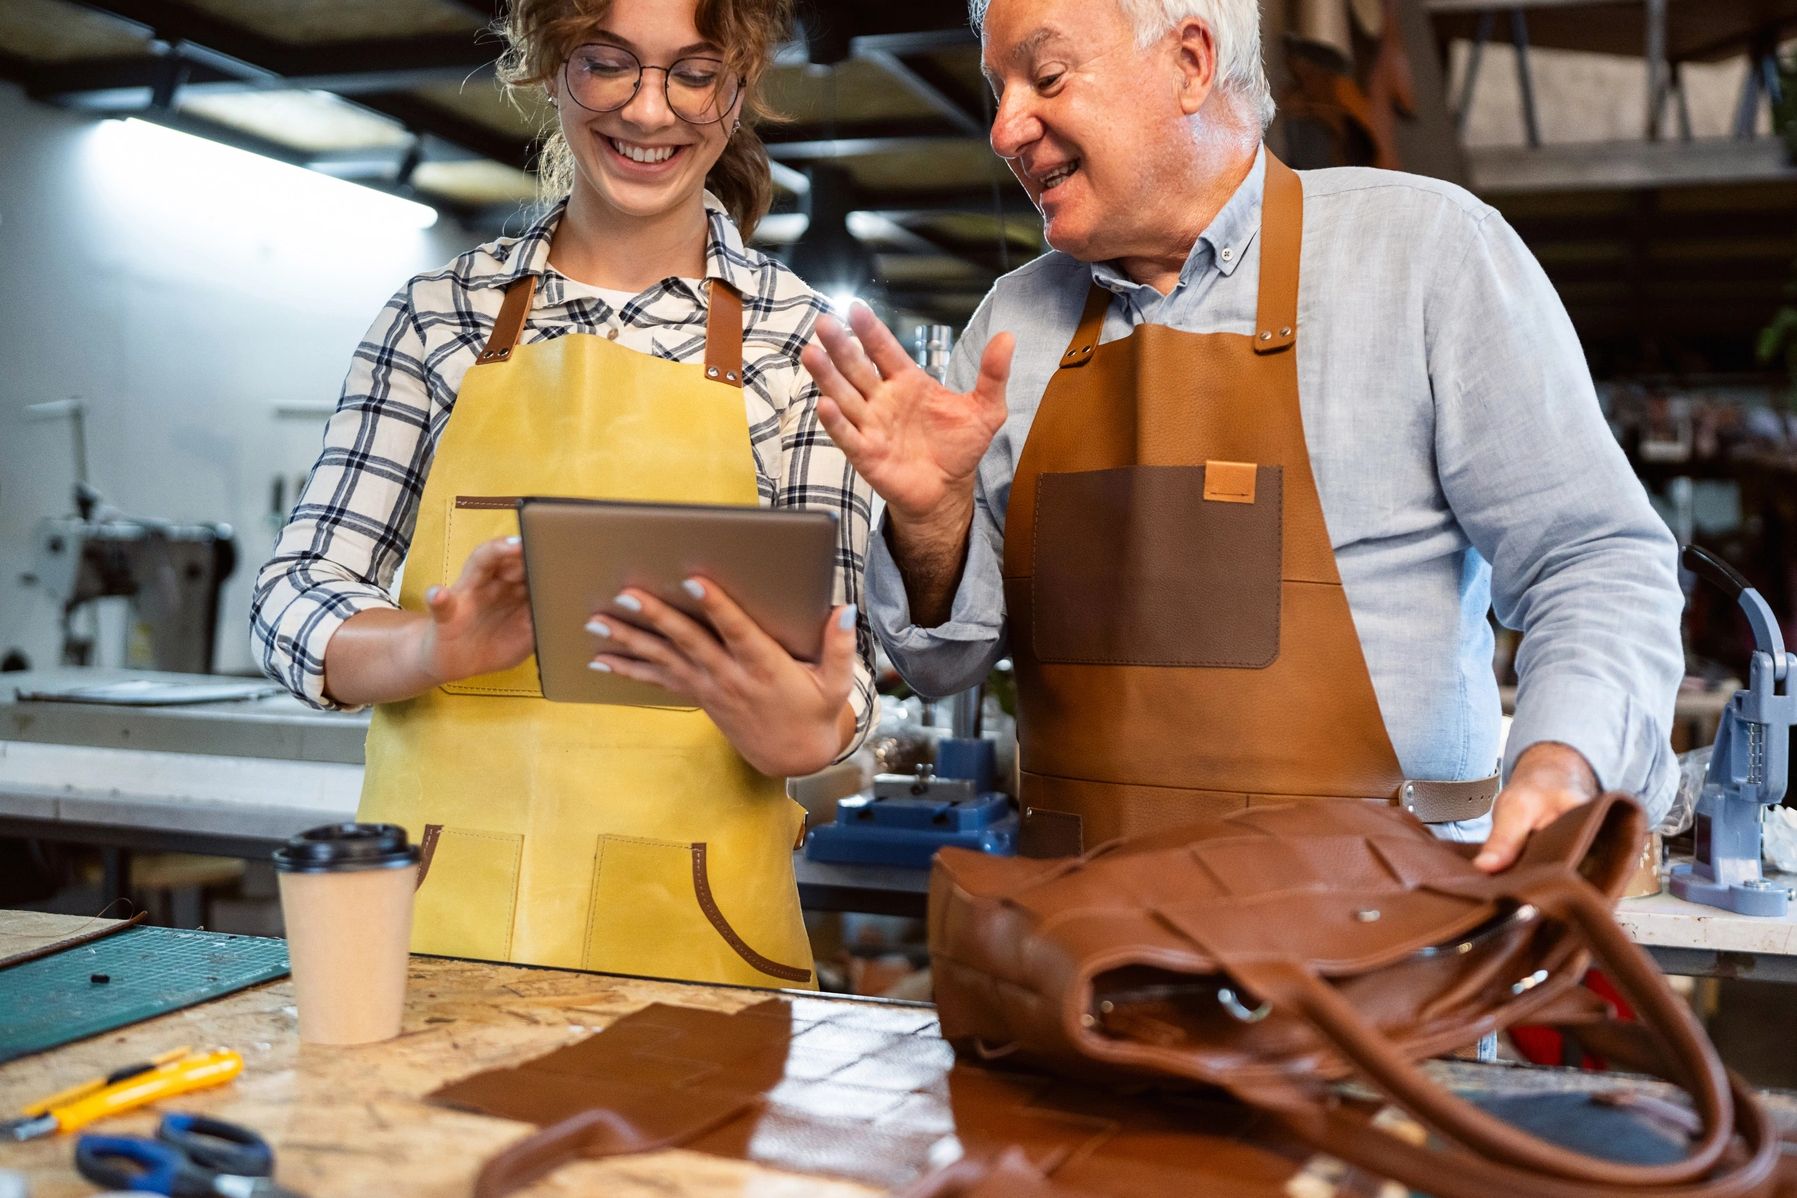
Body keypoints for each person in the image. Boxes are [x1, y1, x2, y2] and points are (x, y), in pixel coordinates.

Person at [801, 0, 1683, 872]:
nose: (1003, 128)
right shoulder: (1013, 326)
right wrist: (929, 518)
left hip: (1376, 963)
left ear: (1190, 61)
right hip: (1080, 966)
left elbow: (1593, 561)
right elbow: (942, 664)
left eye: (1046, 76)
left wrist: (1560, 766)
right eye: (996, 88)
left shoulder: (1423, 255)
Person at [252, 0, 873, 987]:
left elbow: (841, 668)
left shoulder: (801, 345)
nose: (650, 109)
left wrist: (812, 726)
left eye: (694, 72)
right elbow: (292, 594)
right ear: (548, 70)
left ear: (739, 88)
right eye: (608, 64)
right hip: (431, 935)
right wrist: (430, 646)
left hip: (698, 946)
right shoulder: (435, 319)